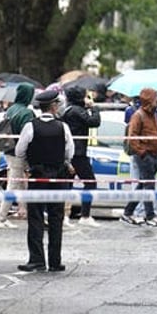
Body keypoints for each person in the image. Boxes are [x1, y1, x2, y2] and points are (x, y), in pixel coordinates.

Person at [14, 90, 75, 273]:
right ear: (54, 106)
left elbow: (19, 151)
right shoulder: (62, 127)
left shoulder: (30, 126)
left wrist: (31, 162)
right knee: (57, 218)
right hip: (58, 176)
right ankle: (55, 261)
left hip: (38, 176)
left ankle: (37, 259)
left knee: (36, 217)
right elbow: (69, 152)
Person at [119, 88, 157, 228]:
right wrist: (142, 153)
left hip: (154, 155)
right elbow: (132, 138)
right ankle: (150, 216)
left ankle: (127, 213)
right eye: (155, 97)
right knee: (148, 186)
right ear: (149, 99)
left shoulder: (154, 114)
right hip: (145, 155)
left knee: (143, 185)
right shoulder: (138, 115)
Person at [0, 83, 35, 229]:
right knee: (13, 184)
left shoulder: (10, 109)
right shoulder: (26, 113)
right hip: (19, 152)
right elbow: (29, 134)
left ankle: (23, 210)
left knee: (19, 183)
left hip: (8, 150)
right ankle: (1, 218)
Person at [61, 86, 101, 227]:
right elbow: (94, 122)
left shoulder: (69, 109)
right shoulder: (76, 111)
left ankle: (64, 216)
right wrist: (94, 107)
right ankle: (84, 215)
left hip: (70, 152)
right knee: (90, 183)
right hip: (77, 153)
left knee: (67, 183)